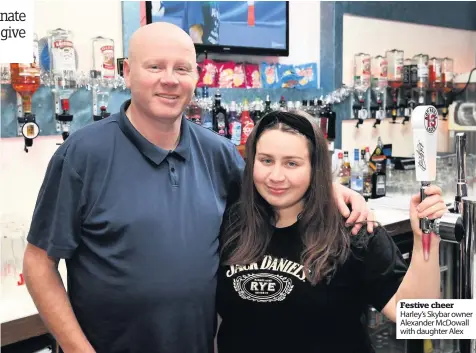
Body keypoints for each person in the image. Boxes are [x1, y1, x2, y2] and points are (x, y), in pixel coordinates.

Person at [23, 22, 373, 353]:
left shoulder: (217, 152)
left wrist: (327, 188)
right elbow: (38, 263)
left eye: (181, 68)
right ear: (127, 72)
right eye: (155, 67)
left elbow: (271, 189)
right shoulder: (83, 155)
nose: (169, 80)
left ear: (196, 76)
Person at [216, 110, 447, 353]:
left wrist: (425, 240)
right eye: (266, 161)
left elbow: (422, 320)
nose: (276, 176)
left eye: (292, 163)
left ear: (315, 167)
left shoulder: (352, 228)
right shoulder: (232, 222)